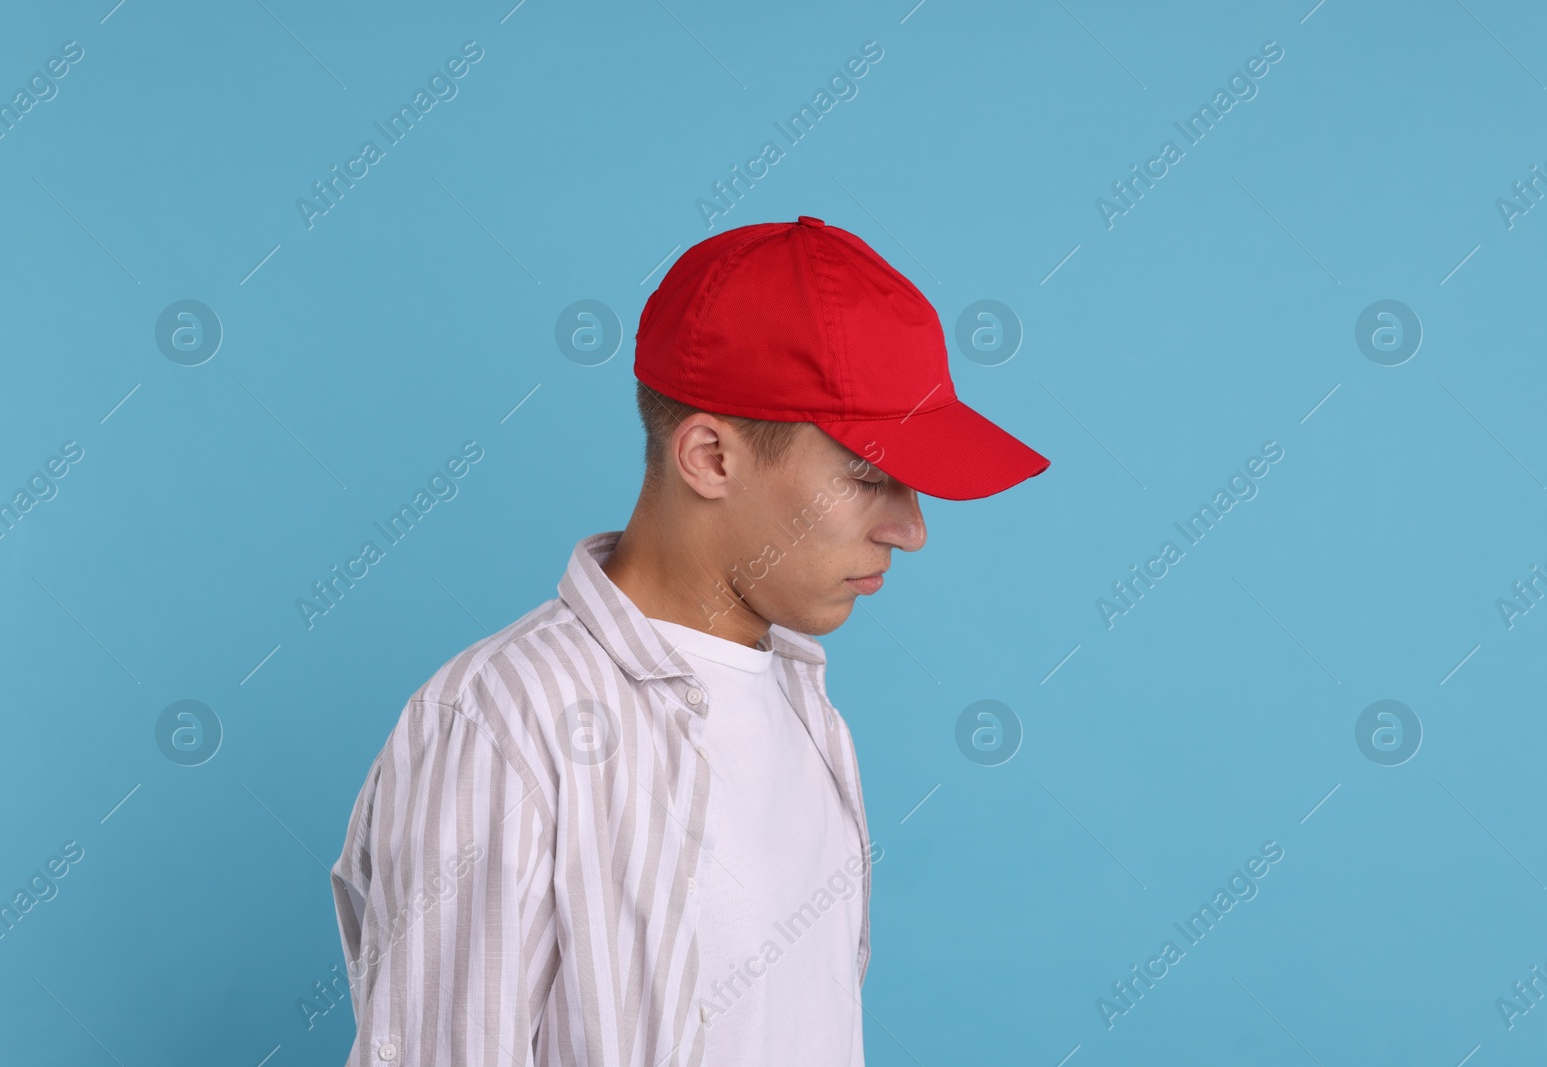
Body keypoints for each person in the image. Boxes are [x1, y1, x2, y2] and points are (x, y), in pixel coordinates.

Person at [328, 214, 1050, 1066]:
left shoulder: (808, 711)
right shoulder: (503, 723)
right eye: (868, 478)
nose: (911, 528)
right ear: (709, 457)